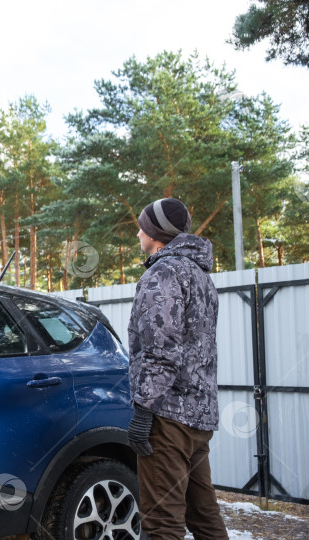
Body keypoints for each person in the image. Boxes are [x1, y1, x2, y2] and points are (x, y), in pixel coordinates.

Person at [127, 197, 229, 540]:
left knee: (162, 524)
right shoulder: (200, 276)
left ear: (156, 234)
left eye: (143, 227)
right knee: (204, 518)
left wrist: (143, 410)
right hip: (198, 416)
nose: (138, 233)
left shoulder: (163, 273)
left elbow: (161, 353)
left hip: (168, 418)